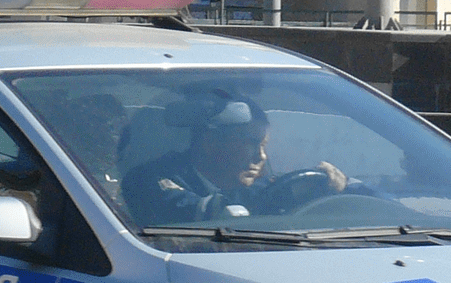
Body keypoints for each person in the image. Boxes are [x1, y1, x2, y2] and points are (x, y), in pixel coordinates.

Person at [122, 91, 346, 225]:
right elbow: (209, 212)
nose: (261, 156)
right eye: (251, 143)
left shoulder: (265, 184)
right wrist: (290, 192)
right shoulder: (148, 181)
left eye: (264, 146)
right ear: (210, 143)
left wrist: (336, 183)